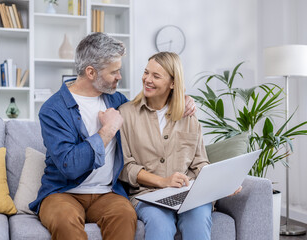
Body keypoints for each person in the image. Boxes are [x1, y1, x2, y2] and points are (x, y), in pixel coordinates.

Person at [29, 33, 197, 240]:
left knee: (125, 216)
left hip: (108, 193)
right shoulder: (53, 109)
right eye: (114, 72)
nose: (120, 77)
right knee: (64, 222)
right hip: (63, 192)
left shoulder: (116, 100)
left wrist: (182, 98)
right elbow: (69, 166)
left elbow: (149, 104)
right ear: (91, 72)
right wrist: (107, 130)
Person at [119, 52, 241, 240]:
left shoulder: (188, 114)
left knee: (198, 221)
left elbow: (200, 162)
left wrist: (223, 184)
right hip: (148, 195)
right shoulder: (126, 114)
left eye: (156, 76)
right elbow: (125, 167)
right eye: (146, 72)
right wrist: (162, 181)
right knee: (161, 225)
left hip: (190, 194)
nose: (147, 79)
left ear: (173, 83)